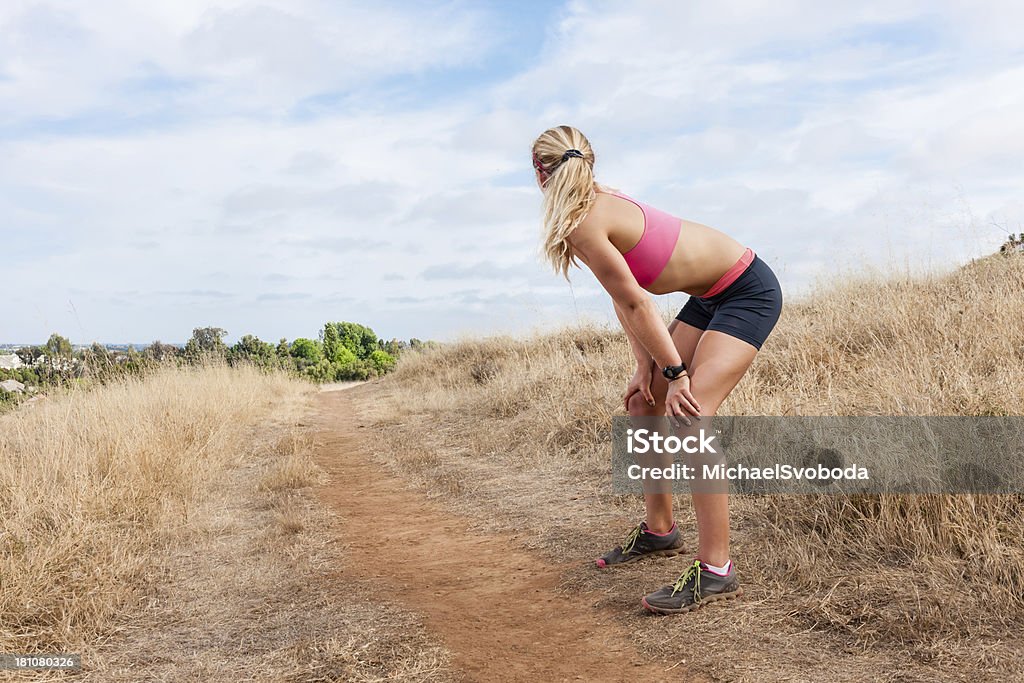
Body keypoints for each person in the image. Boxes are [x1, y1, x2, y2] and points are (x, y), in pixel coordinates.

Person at [531, 125, 783, 614]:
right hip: (709, 297)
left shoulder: (584, 219)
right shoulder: (590, 203)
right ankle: (661, 531)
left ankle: (716, 571)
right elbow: (625, 303)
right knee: (642, 405)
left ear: (539, 172)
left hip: (747, 291)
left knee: (689, 416)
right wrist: (645, 370)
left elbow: (636, 302)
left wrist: (676, 374)